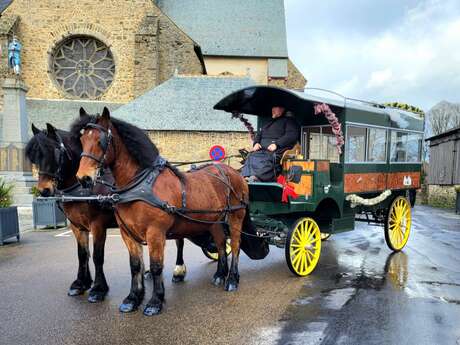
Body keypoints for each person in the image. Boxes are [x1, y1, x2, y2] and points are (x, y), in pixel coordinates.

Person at [242, 106, 300, 182]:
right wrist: (256, 143)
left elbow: (291, 135)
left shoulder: (289, 121)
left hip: (277, 151)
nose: (273, 110)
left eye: (275, 108)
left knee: (266, 159)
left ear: (282, 109)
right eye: (272, 108)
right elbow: (259, 135)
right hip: (261, 150)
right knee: (251, 156)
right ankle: (246, 177)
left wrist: (277, 144)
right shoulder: (268, 123)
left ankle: (257, 177)